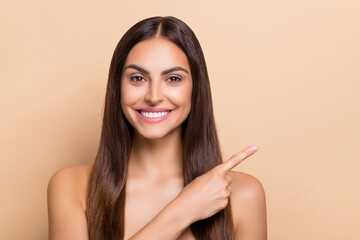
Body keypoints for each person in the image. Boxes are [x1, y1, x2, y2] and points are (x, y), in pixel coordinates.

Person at [47, 16, 267, 240]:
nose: (153, 96)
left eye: (172, 78)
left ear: (196, 88)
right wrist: (182, 211)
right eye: (138, 78)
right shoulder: (72, 186)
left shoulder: (243, 194)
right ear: (118, 88)